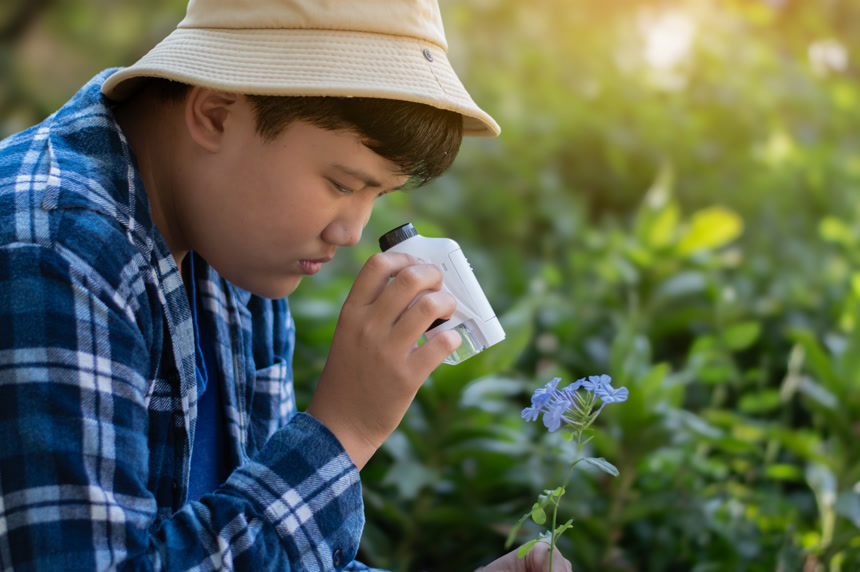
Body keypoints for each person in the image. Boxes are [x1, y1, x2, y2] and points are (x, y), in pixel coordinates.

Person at [0, 0, 571, 570]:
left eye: (380, 195)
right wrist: (346, 429)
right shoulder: (53, 247)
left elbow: (265, 551)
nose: (350, 232)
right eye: (342, 183)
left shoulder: (235, 249)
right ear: (217, 115)